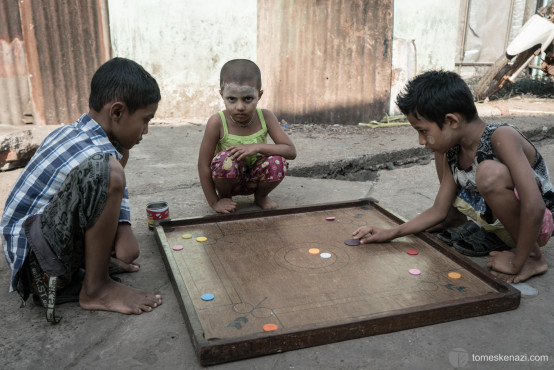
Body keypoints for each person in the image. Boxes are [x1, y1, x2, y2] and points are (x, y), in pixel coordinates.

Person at [352, 70, 554, 283]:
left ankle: (532, 257)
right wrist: (391, 233)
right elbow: (438, 210)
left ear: (452, 121)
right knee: (441, 150)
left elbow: (535, 206)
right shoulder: (452, 149)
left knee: (488, 173)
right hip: (494, 221)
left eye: (423, 131)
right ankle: (461, 221)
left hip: (537, 226)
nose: (421, 141)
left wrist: (518, 262)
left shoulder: (502, 136)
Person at [1, 57, 163, 322]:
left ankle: (90, 268)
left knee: (114, 161)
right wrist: (118, 238)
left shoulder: (75, 133)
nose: (145, 130)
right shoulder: (100, 159)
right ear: (118, 112)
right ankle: (97, 288)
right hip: (36, 266)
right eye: (146, 120)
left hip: (37, 241)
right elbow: (126, 250)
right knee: (109, 171)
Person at [198, 59, 296, 213]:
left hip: (256, 178)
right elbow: (203, 165)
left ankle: (261, 196)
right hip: (227, 179)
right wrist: (214, 202)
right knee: (225, 160)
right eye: (231, 99)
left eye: (248, 99)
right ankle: (225, 197)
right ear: (222, 94)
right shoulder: (217, 122)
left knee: (277, 162)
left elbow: (290, 151)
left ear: (260, 95)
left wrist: (257, 147)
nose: (240, 107)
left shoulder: (266, 117)